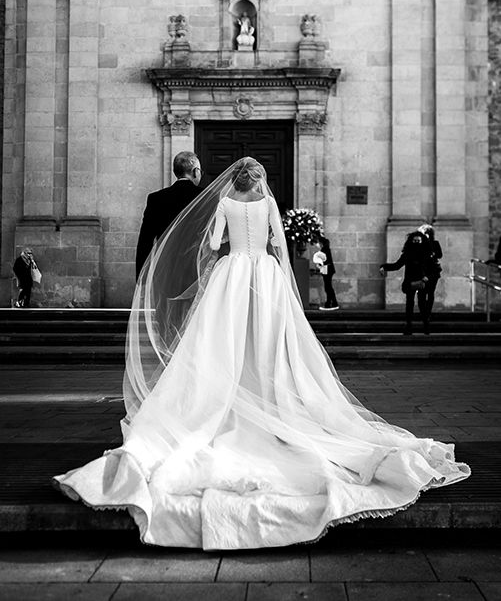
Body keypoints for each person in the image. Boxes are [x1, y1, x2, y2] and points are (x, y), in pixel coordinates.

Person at [54, 158, 469, 551]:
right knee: (270, 343)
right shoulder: (269, 202)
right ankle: (273, 401)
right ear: (261, 180)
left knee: (223, 341)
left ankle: (227, 400)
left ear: (235, 180)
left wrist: (218, 250)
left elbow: (214, 243)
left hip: (231, 273)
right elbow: (281, 249)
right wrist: (285, 284)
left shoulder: (225, 202)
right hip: (266, 276)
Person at [135, 151, 202, 279]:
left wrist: (141, 276)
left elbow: (145, 240)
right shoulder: (207, 197)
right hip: (195, 267)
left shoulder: (156, 198)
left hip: (165, 268)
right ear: (195, 171)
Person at [380, 231, 431, 335]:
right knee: (410, 305)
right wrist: (384, 266)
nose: (417, 242)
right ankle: (410, 327)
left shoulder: (426, 254)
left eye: (419, 241)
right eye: (415, 241)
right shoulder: (408, 254)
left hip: (422, 281)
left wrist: (427, 276)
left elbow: (432, 268)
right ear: (411, 241)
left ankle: (426, 327)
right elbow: (397, 265)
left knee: (422, 305)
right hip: (411, 281)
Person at [418, 223, 443, 320]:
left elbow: (440, 255)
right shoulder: (418, 244)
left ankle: (427, 313)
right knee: (421, 293)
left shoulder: (435, 243)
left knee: (430, 292)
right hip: (421, 271)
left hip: (433, 271)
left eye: (428, 233)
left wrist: (433, 253)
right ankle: (423, 313)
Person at [313, 235, 339, 310]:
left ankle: (331, 303)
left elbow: (323, 260)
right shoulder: (326, 249)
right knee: (328, 287)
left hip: (327, 270)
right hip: (327, 269)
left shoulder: (324, 250)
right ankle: (332, 302)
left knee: (328, 287)